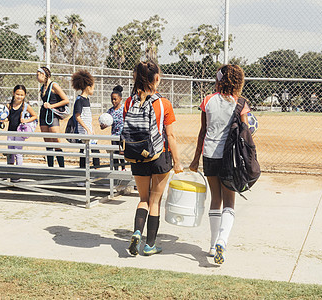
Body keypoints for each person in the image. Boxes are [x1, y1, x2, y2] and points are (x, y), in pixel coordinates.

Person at [189, 64, 250, 265]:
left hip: (209, 155)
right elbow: (246, 131)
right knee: (229, 203)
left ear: (219, 80)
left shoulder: (207, 100)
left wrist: (196, 159)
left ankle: (213, 243)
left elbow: (202, 131)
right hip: (229, 157)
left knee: (215, 199)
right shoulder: (241, 103)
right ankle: (222, 242)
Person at [126, 61, 183, 256]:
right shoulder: (164, 103)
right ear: (156, 78)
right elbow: (171, 136)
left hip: (137, 156)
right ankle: (150, 245)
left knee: (143, 199)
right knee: (155, 202)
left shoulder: (129, 101)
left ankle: (136, 233)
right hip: (160, 156)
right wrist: (177, 162)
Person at [36, 66, 69, 167]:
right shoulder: (43, 87)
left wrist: (51, 106)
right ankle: (50, 167)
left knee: (56, 141)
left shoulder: (54, 85)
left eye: (37, 75)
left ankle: (62, 167)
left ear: (43, 75)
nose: (36, 77)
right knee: (48, 141)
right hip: (43, 115)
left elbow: (66, 100)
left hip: (52, 115)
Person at [71, 70, 100, 170]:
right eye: (93, 88)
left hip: (89, 131)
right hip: (83, 132)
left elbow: (88, 116)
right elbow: (77, 116)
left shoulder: (87, 100)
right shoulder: (79, 100)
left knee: (95, 151)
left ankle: (97, 172)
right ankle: (82, 175)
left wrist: (92, 129)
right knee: (84, 153)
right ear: (88, 87)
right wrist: (86, 129)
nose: (93, 90)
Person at [5, 85, 37, 170]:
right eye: (17, 94)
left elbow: (34, 116)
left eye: (22, 95)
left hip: (20, 131)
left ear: (25, 95)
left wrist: (25, 121)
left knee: (18, 152)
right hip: (10, 131)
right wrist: (2, 119)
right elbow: (8, 117)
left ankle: (18, 172)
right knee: (10, 152)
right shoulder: (9, 105)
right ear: (13, 93)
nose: (19, 96)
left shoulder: (25, 106)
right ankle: (10, 171)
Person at [100, 85, 126, 171]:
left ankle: (123, 168)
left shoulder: (124, 109)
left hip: (123, 136)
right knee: (115, 153)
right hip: (114, 136)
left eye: (115, 99)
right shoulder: (110, 111)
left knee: (121, 153)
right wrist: (103, 126)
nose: (113, 101)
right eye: (112, 99)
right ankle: (115, 170)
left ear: (120, 99)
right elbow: (106, 123)